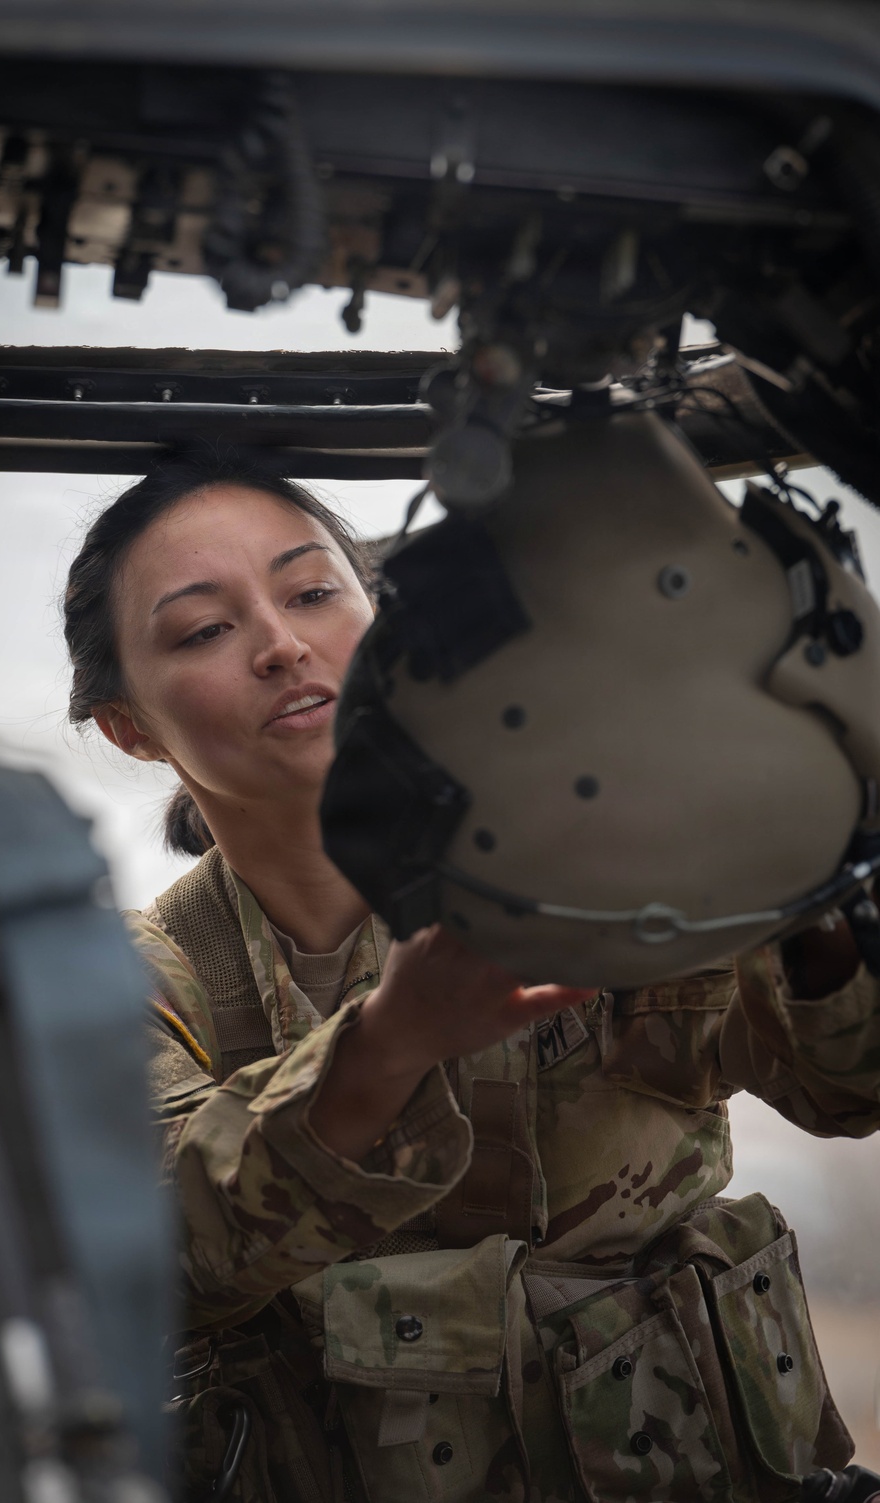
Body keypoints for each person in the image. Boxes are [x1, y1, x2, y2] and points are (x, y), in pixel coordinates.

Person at [63, 445, 880, 1503]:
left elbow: (847, 1085)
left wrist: (808, 887)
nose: (279, 645)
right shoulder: (124, 982)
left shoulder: (591, 862)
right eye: (205, 629)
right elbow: (160, 1257)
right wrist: (387, 1045)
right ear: (129, 727)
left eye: (312, 592)